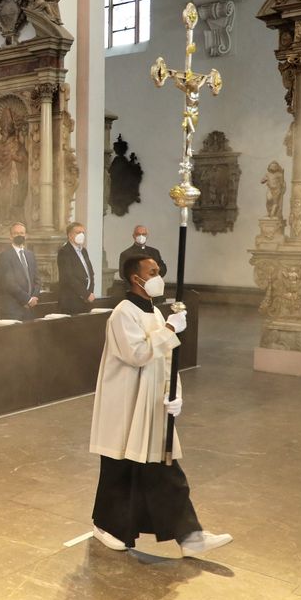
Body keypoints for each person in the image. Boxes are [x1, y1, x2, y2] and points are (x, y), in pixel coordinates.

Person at [89, 254, 232, 557]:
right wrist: (169, 329)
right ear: (135, 279)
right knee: (120, 466)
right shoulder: (122, 314)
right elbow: (137, 354)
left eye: (159, 271)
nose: (158, 276)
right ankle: (106, 527)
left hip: (152, 402)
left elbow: (168, 360)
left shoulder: (154, 313)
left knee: (162, 468)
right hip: (127, 404)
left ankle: (190, 537)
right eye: (152, 272)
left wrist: (175, 394)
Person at [0, 222, 41, 321]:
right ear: (10, 236)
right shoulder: (5, 256)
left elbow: (37, 280)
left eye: (22, 233)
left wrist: (34, 297)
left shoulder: (30, 255)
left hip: (30, 309)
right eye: (16, 233)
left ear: (26, 236)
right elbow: (9, 283)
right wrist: (28, 299)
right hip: (13, 309)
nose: (19, 235)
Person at [56, 221, 96, 314]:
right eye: (78, 233)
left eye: (83, 232)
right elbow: (69, 277)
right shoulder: (64, 252)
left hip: (86, 301)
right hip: (71, 301)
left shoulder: (84, 251)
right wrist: (85, 294)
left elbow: (90, 274)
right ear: (70, 236)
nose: (81, 235)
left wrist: (90, 292)